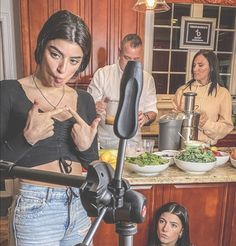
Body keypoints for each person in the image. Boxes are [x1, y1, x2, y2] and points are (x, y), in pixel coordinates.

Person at [0, 10, 100, 245]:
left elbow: (91, 163)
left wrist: (86, 149)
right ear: (42, 46)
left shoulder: (84, 100)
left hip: (79, 204)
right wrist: (27, 139)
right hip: (36, 208)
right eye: (55, 54)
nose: (62, 69)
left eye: (74, 61)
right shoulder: (8, 92)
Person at [87, 33, 158, 149]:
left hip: (133, 144)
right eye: (127, 58)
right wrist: (95, 106)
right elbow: (88, 106)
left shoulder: (147, 79)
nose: (131, 63)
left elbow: (152, 111)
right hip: (105, 144)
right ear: (119, 52)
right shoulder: (103, 74)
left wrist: (146, 117)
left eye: (135, 59)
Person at [173, 50, 233, 145]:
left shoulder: (223, 93)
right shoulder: (182, 90)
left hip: (205, 148)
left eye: (200, 65)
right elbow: (173, 121)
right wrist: (183, 116)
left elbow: (226, 127)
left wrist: (206, 123)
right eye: (194, 65)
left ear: (212, 67)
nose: (195, 69)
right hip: (181, 145)